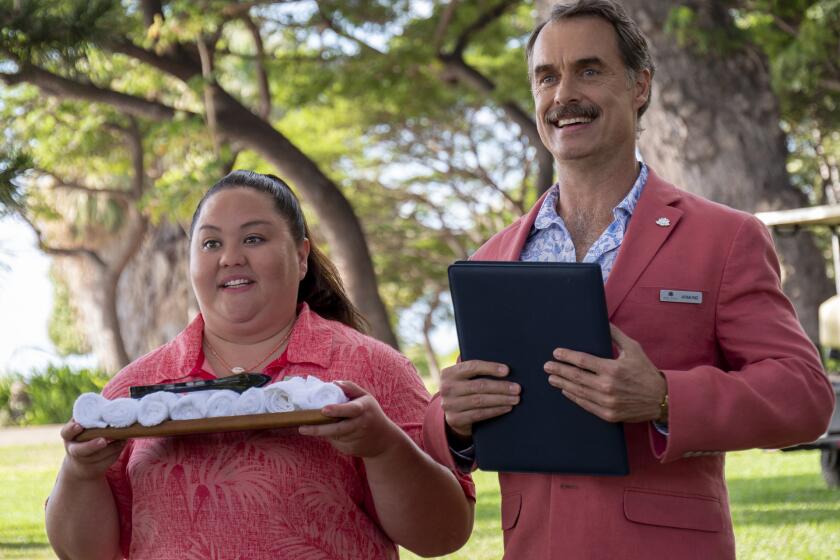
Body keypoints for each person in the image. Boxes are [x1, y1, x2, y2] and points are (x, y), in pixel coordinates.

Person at [422, 1, 836, 558]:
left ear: (639, 85)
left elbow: (804, 396)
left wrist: (666, 397)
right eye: (547, 76)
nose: (563, 93)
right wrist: (452, 418)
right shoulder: (493, 256)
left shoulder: (725, 237)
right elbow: (448, 427)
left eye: (588, 70)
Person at [46, 170, 475, 559]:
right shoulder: (136, 387)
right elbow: (84, 553)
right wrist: (80, 471)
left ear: (302, 256)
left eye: (253, 239)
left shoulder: (372, 368)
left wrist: (383, 447)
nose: (230, 257)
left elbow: (443, 535)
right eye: (211, 242)